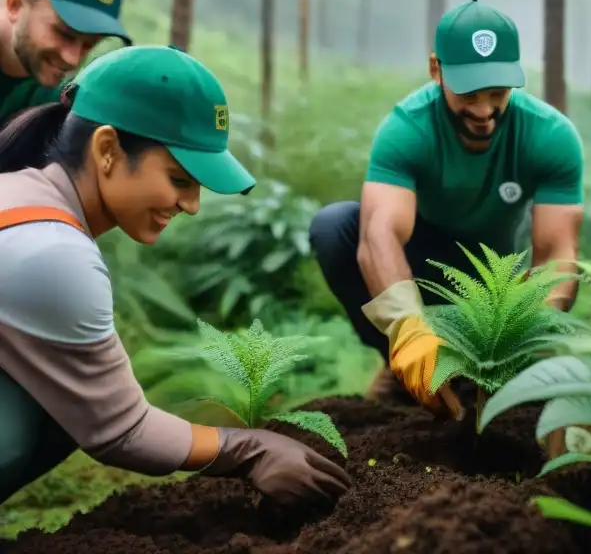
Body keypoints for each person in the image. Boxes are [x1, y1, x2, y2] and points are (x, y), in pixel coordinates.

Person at [0, 45, 352, 507]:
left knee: (70, 393)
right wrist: (249, 450)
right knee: (62, 407)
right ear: (107, 149)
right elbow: (121, 427)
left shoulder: (19, 192)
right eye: (179, 179)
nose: (191, 205)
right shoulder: (52, 253)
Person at [310, 0, 585, 419]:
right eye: (469, 93)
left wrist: (525, 337)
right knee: (336, 228)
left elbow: (557, 255)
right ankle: (401, 364)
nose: (483, 111)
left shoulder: (549, 136)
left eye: (497, 93)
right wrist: (406, 329)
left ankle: (489, 377)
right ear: (436, 70)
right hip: (419, 267)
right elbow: (377, 236)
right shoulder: (408, 128)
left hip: (494, 280)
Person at [0, 0, 133, 126]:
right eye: (64, 34)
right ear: (15, 5)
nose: (72, 59)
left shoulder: (57, 98)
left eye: (89, 44)